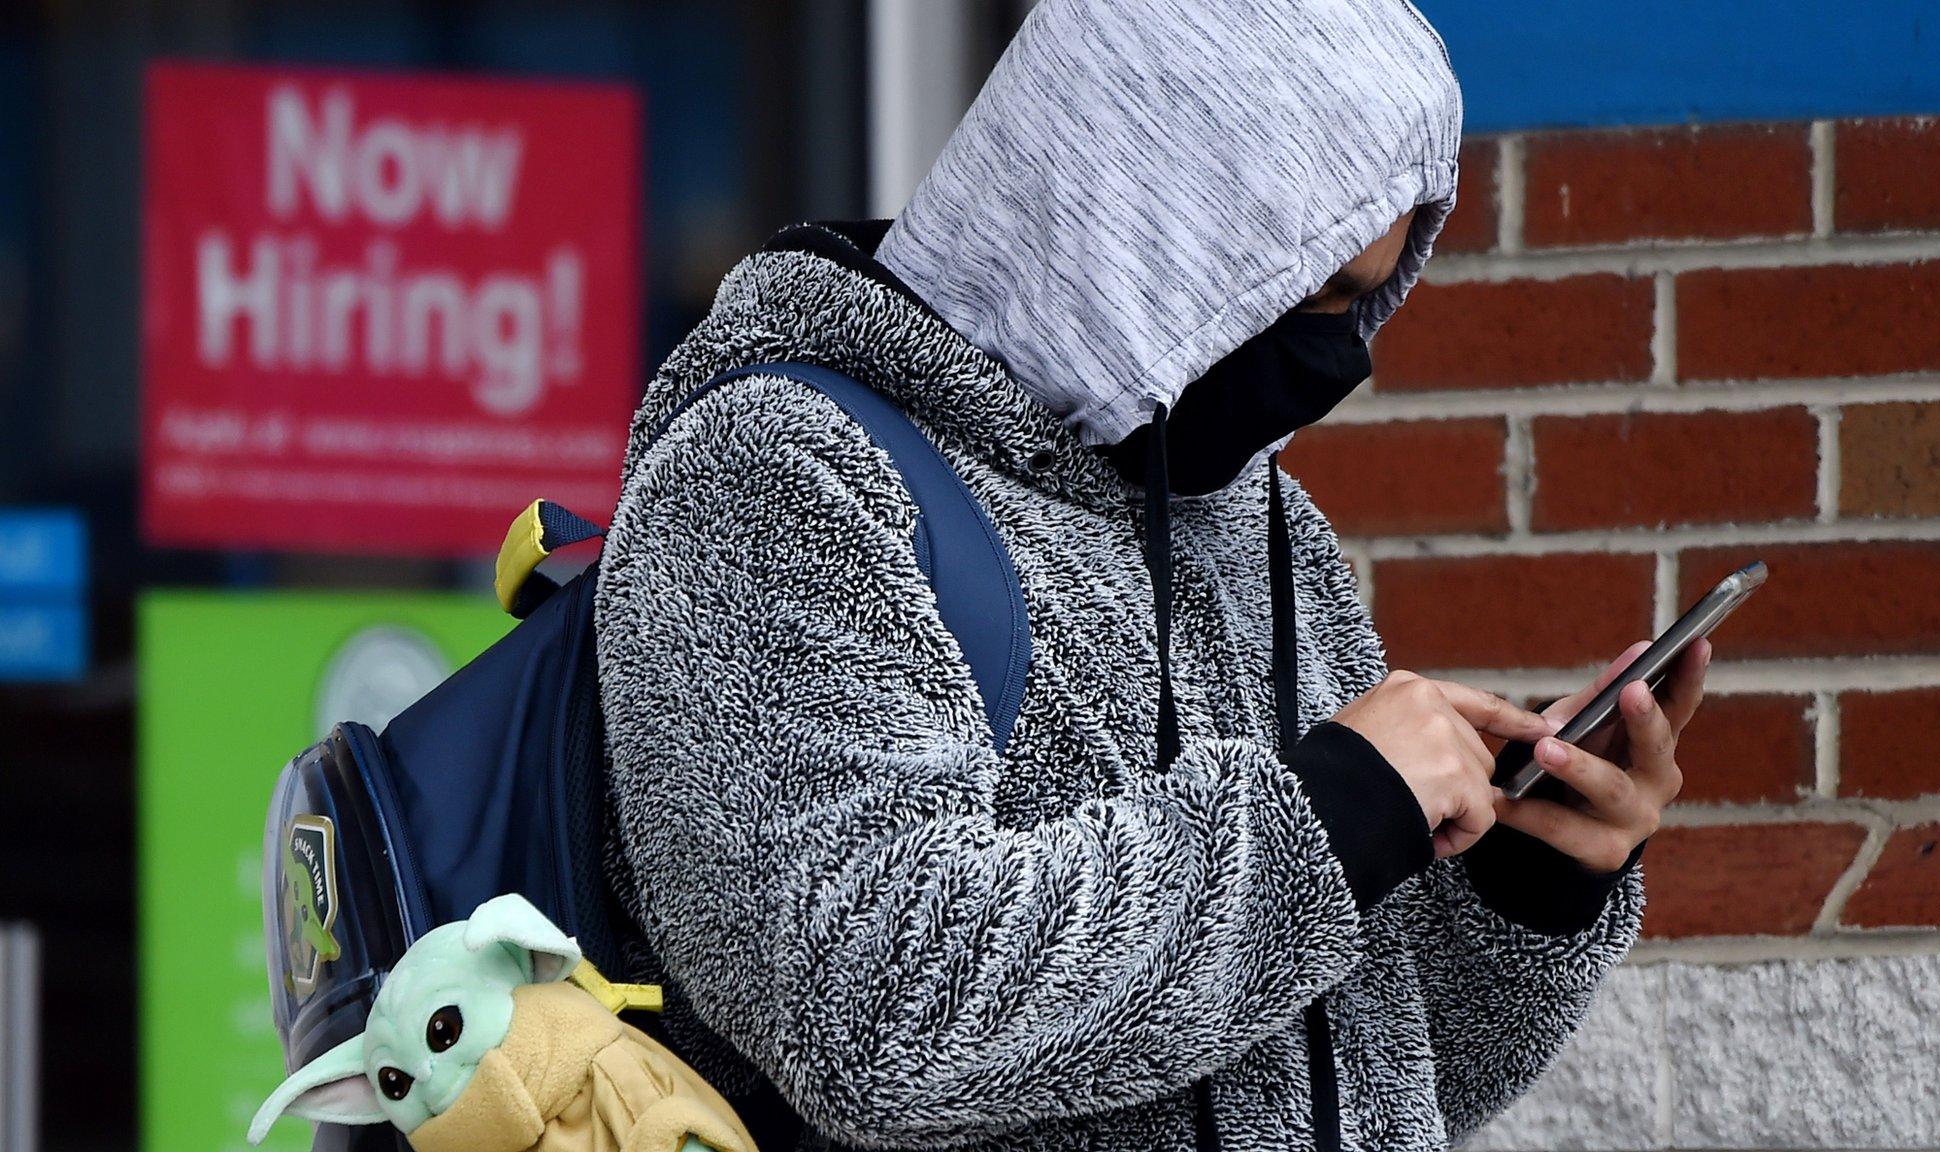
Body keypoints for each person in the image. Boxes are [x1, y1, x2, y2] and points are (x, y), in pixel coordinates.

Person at [593, 1, 1705, 1150]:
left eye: (1366, 294)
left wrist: (1525, 886)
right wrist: (1330, 817)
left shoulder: (1253, 525)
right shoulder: (779, 473)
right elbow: (871, 1022)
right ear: (1151, 237)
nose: (1343, 352)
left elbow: (1363, 1086)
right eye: (1308, 291)